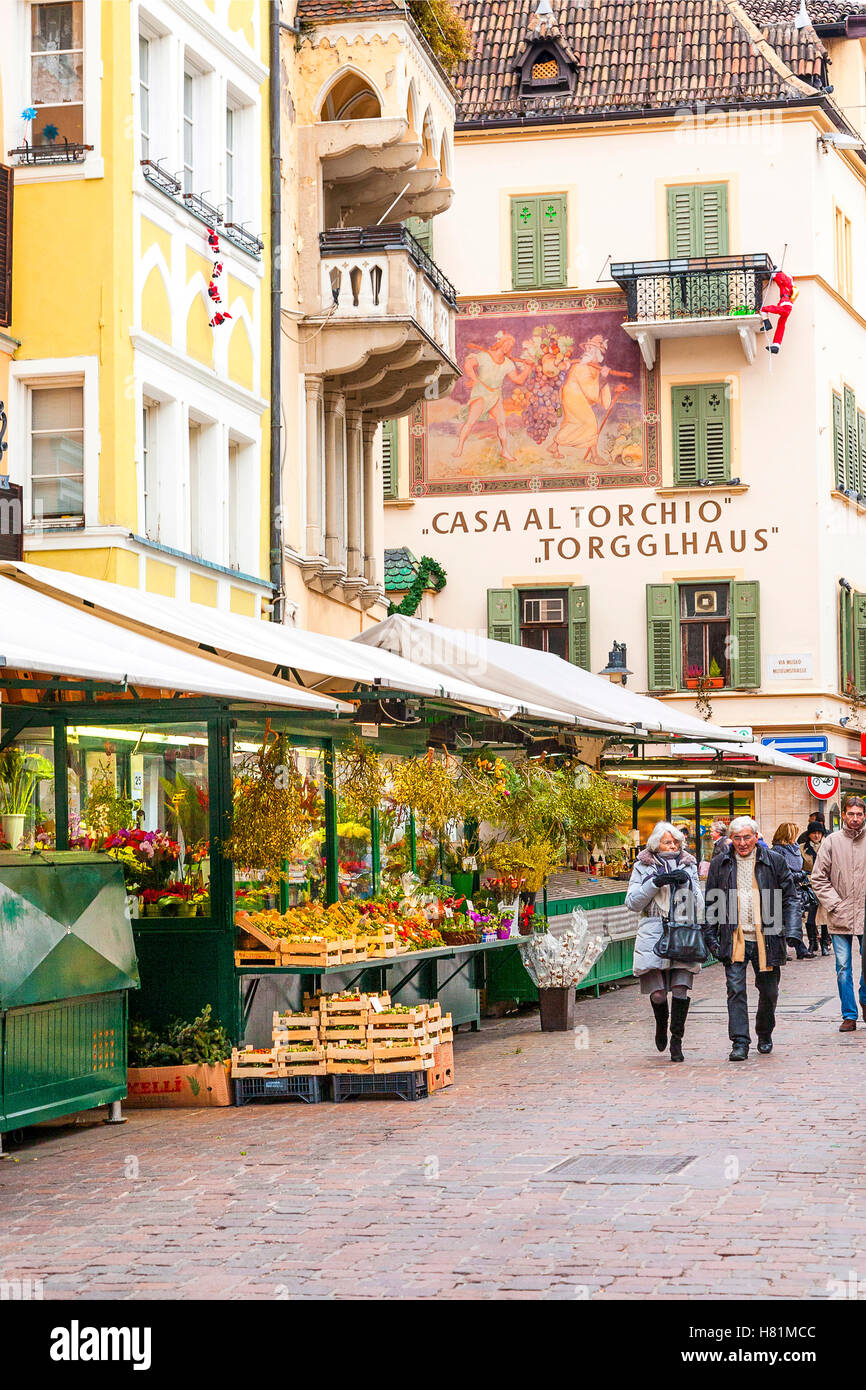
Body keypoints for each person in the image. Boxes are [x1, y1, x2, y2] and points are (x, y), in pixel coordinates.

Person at [704, 815, 800, 1061]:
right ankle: (739, 1042)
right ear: (731, 839)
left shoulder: (774, 861)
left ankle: (764, 1032)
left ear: (756, 837)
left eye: (747, 837)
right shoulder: (720, 863)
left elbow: (790, 897)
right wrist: (711, 938)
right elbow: (712, 901)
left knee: (769, 991)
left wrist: (792, 930)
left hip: (766, 936)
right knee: (735, 990)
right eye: (737, 838)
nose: (743, 842)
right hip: (733, 936)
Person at [626, 822, 703, 1063]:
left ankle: (676, 1041)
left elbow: (699, 906)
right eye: (667, 842)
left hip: (683, 932)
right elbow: (632, 903)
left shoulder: (688, 864)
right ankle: (661, 1025)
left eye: (675, 842)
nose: (672, 846)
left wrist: (685, 885)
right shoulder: (642, 866)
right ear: (655, 844)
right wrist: (655, 882)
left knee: (680, 990)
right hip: (653, 932)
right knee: (658, 995)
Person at [811, 796, 866, 1032]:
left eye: (859, 814)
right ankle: (849, 1014)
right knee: (843, 967)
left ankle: (864, 998)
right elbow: (818, 877)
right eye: (851, 813)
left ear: (864, 816)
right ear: (844, 814)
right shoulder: (832, 841)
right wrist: (835, 904)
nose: (855, 818)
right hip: (840, 914)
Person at [771, 823, 813, 959]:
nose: (796, 836)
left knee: (794, 918)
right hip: (782, 889)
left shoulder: (795, 849)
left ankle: (800, 949)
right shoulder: (777, 850)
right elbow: (781, 872)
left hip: (796, 888)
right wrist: (800, 875)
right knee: (783, 920)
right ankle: (784, 950)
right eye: (794, 833)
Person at [800, 820, 831, 955]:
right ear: (809, 834)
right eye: (814, 833)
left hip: (825, 884)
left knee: (824, 916)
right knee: (809, 915)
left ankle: (825, 943)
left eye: (819, 833)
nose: (816, 836)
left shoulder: (828, 846)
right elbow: (799, 866)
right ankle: (812, 942)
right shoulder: (801, 848)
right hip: (808, 885)